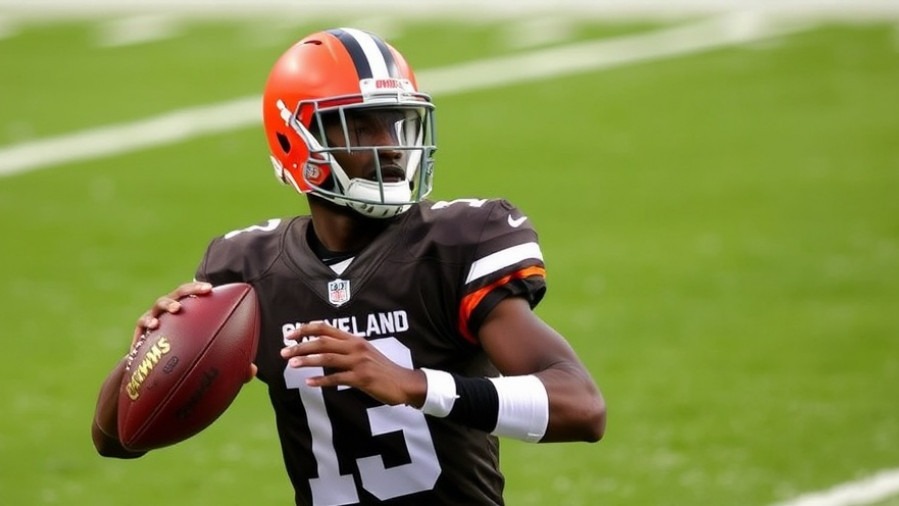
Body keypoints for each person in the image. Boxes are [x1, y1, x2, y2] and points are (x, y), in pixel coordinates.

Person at [91, 27, 606, 505]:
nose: (388, 147)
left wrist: (416, 384)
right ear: (297, 142)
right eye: (358, 126)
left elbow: (582, 407)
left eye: (395, 123)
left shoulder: (455, 246)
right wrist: (148, 351)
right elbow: (116, 438)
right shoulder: (247, 272)